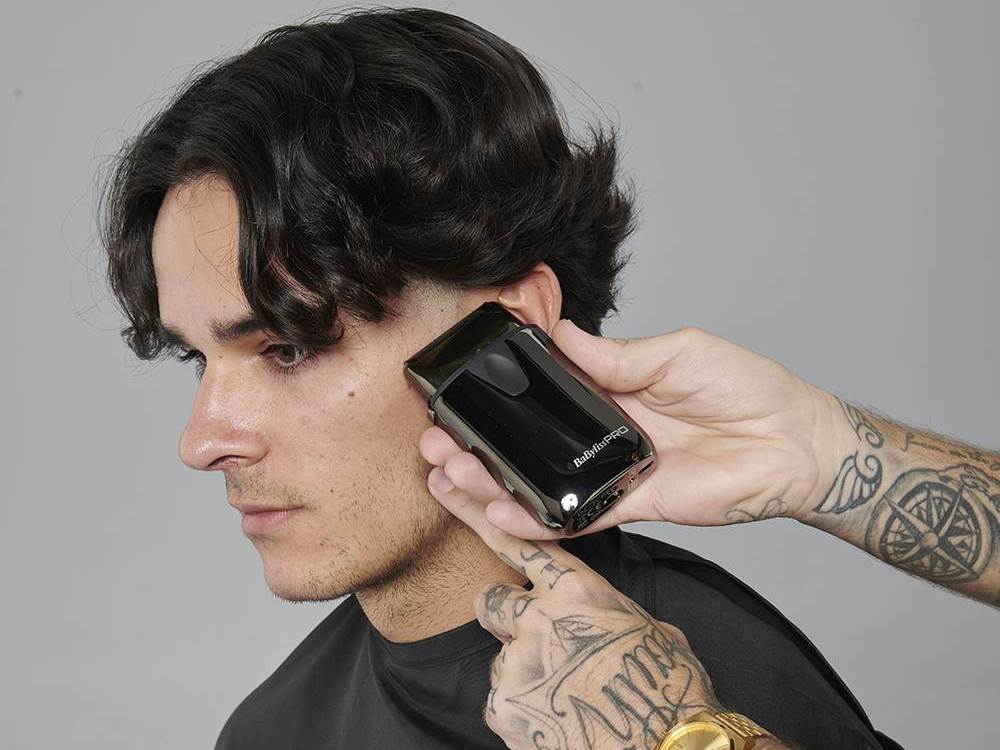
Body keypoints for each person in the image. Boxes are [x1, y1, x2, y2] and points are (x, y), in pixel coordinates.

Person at [97, 7, 904, 749]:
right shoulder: (269, 731)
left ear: (505, 331)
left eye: (287, 349)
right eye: (198, 359)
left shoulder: (719, 672)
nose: (202, 442)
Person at [422, 309, 998, 749]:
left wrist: (677, 733)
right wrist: (811, 450)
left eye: (375, 318)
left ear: (523, 303)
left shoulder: (736, 648)